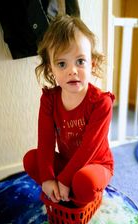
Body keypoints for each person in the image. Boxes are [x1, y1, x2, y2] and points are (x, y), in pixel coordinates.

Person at [23, 15, 115, 207]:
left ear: (93, 64)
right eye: (62, 64)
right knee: (32, 159)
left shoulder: (101, 103)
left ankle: (73, 196)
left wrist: (63, 180)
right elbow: (46, 142)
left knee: (84, 181)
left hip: (95, 164)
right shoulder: (49, 99)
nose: (72, 70)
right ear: (51, 68)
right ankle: (65, 194)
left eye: (80, 61)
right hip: (66, 162)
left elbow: (88, 149)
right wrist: (48, 179)